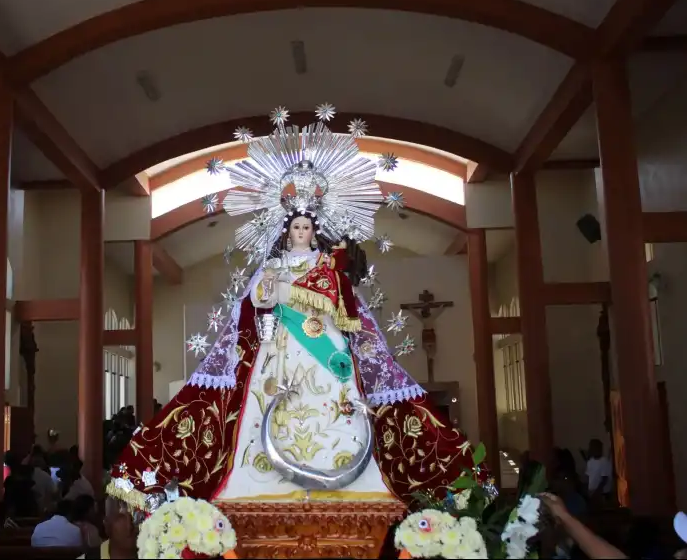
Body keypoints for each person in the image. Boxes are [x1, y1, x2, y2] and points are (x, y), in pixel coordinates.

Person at [106, 111, 485, 509]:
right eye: (295, 227)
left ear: (314, 229)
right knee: (266, 396)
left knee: (336, 392)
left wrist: (306, 292)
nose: (301, 232)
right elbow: (257, 301)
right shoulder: (273, 265)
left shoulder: (327, 265)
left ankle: (347, 468)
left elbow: (342, 301)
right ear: (286, 229)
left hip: (324, 338)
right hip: (281, 343)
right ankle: (257, 474)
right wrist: (272, 289)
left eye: (307, 227)